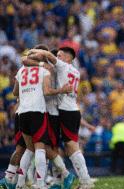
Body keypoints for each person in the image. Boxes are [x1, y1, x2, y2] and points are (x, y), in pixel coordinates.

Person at [24, 47, 92, 188]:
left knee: (71, 146)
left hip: (65, 111)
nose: (58, 57)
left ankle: (85, 181)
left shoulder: (63, 66)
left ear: (68, 58)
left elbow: (46, 56)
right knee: (63, 146)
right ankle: (61, 180)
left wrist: (34, 53)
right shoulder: (75, 71)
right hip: (70, 109)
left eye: (60, 55)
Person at [13, 46, 72, 189]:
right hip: (38, 111)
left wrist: (26, 93)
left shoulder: (20, 71)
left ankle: (20, 184)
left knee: (29, 149)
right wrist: (62, 90)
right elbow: (47, 91)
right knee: (40, 149)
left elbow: (15, 92)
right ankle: (40, 184)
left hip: (22, 112)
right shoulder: (44, 70)